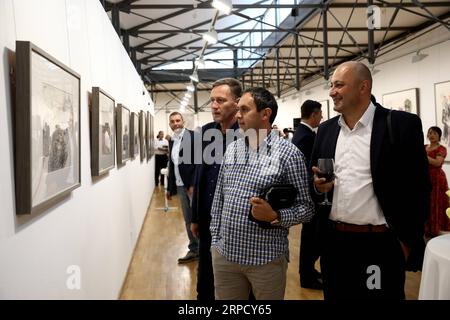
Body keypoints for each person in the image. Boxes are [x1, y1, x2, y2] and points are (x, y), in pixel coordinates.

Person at [311, 61, 430, 299]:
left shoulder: (399, 125)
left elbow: (419, 189)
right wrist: (318, 187)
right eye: (332, 85)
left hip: (379, 245)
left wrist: (406, 243)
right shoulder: (326, 130)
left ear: (363, 87)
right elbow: (313, 181)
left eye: (339, 85)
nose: (332, 92)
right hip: (336, 244)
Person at [210, 87, 315, 300]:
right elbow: (219, 197)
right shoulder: (232, 149)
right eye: (238, 109)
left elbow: (307, 208)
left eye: (245, 109)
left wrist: (276, 216)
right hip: (225, 257)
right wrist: (215, 240)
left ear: (265, 114)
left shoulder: (289, 154)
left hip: (265, 260)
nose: (238, 115)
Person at [190, 78, 242, 300]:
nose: (214, 106)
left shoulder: (247, 135)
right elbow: (200, 178)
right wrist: (195, 217)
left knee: (234, 287)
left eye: (220, 100)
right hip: (207, 221)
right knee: (206, 283)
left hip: (235, 225)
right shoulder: (206, 132)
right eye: (212, 100)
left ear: (237, 103)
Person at [291, 99, 323, 290]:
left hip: (309, 193)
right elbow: (305, 170)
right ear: (313, 114)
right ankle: (307, 275)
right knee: (311, 237)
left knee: (311, 236)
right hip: (310, 194)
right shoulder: (306, 136)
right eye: (320, 114)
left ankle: (309, 272)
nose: (321, 117)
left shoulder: (302, 133)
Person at [166, 112, 198, 263]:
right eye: (172, 121)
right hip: (180, 185)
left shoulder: (193, 137)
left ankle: (205, 249)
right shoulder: (172, 140)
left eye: (178, 120)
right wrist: (169, 188)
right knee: (188, 219)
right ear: (170, 124)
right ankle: (194, 249)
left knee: (199, 217)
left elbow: (200, 163)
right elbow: (172, 165)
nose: (176, 123)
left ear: (183, 121)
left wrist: (193, 184)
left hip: (192, 185)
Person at [425, 126, 450, 237]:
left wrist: (423, 156)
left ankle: (437, 229)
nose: (432, 135)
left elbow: (437, 163)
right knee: (427, 203)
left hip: (437, 179)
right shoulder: (424, 147)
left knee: (438, 202)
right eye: (430, 133)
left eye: (435, 133)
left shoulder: (442, 149)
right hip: (425, 178)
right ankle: (428, 228)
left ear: (439, 135)